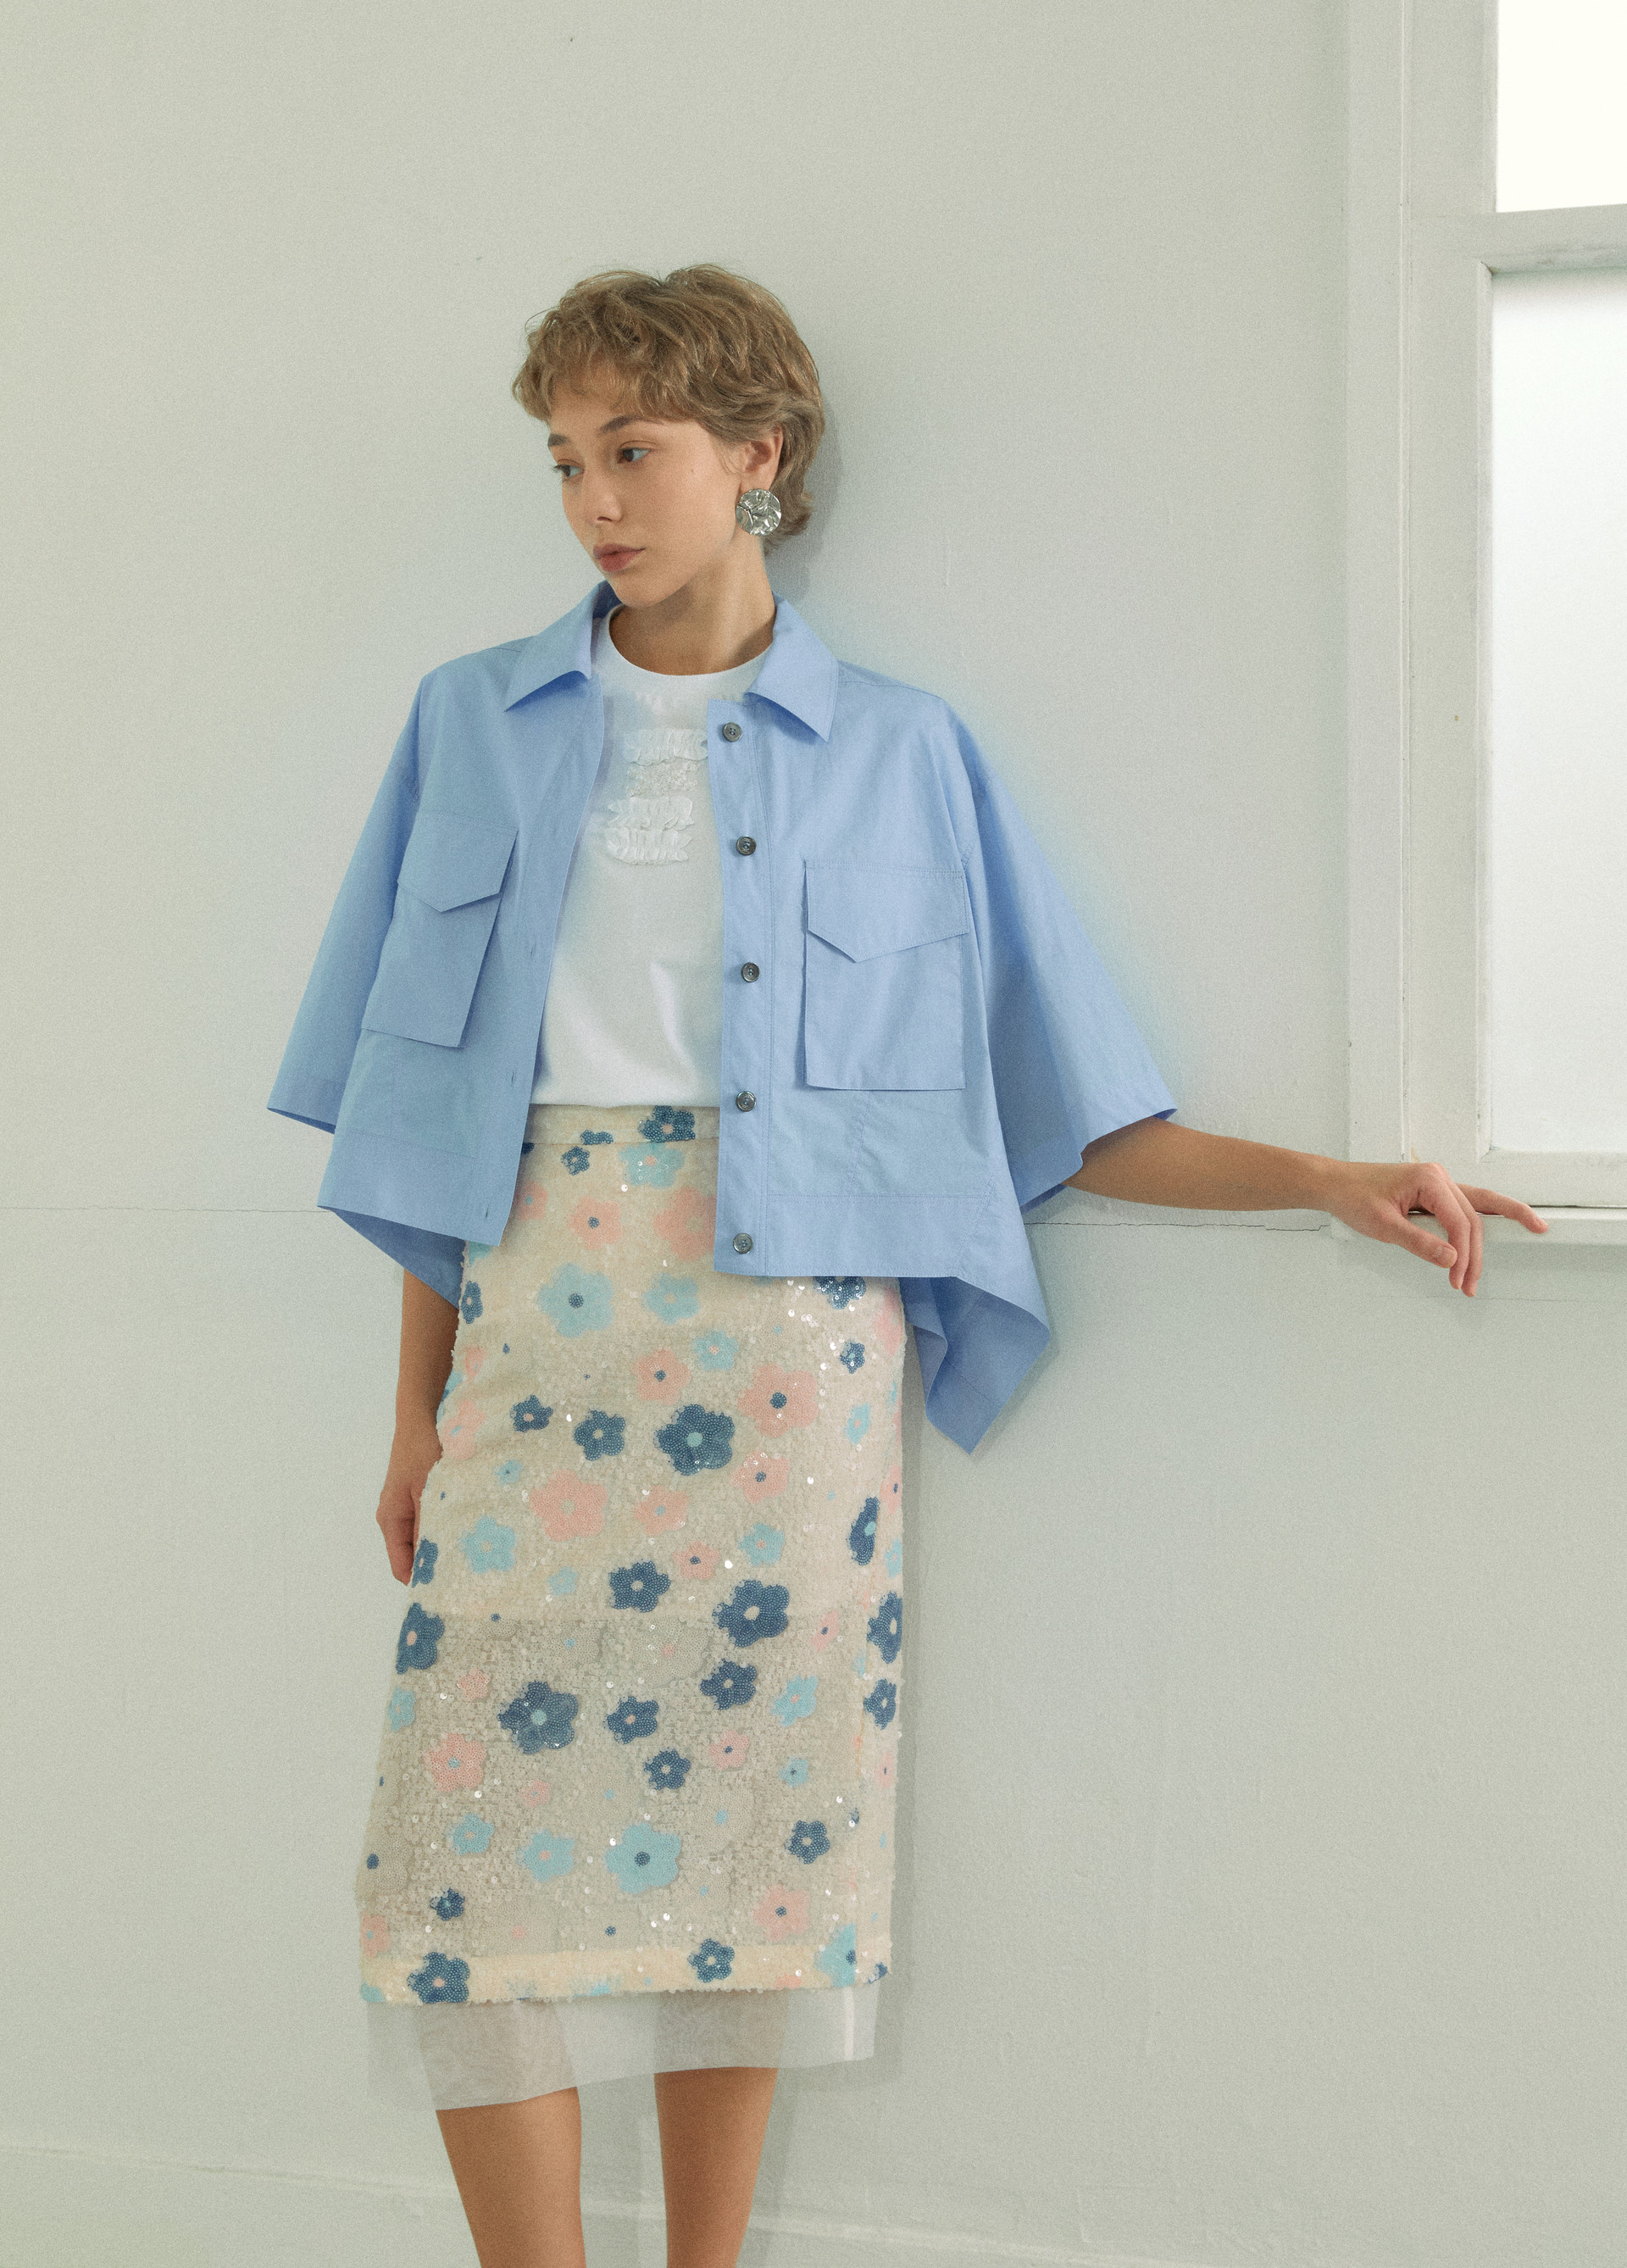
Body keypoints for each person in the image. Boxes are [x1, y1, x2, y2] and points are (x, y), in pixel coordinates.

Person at [268, 264, 1547, 2268]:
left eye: (634, 450)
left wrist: (1323, 1179)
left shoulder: (905, 755)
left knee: (748, 1864)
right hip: (539, 1336)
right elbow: (420, 1126)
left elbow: (1055, 1097)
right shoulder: (469, 723)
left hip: (790, 1381)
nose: (595, 499)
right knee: (458, 1881)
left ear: (758, 456)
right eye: (567, 460)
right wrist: (415, 1411)